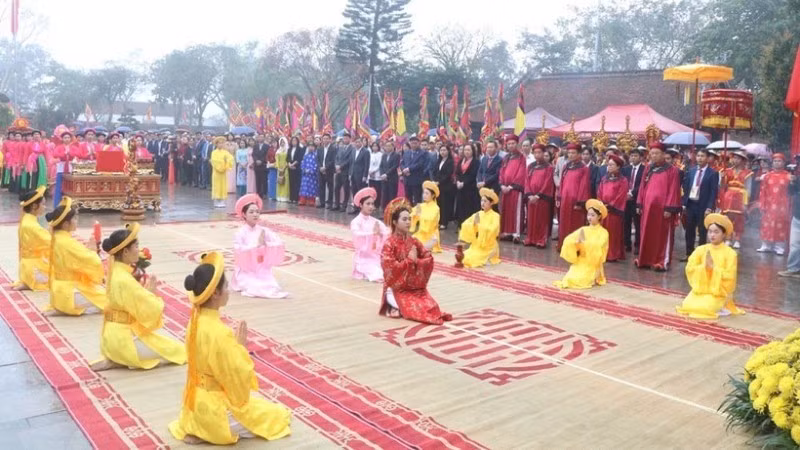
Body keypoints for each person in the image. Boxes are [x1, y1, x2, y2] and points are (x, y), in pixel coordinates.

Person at [169, 252, 292, 445]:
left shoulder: (195, 320)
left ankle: (196, 427)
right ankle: (206, 431)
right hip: (214, 411)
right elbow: (237, 377)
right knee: (276, 416)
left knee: (261, 406)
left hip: (192, 405)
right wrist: (240, 350)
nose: (228, 291)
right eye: (225, 286)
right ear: (215, 293)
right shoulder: (219, 332)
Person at [91, 224, 187, 371]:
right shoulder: (123, 278)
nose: (139, 250)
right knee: (178, 351)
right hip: (123, 340)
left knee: (164, 346)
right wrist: (151, 293)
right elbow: (151, 307)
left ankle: (116, 358)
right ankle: (120, 357)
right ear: (125, 251)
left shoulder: (116, 269)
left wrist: (145, 293)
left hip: (112, 337)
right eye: (136, 246)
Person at [379, 198, 452, 324]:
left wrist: (417, 262)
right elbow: (389, 269)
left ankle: (397, 308)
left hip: (415, 288)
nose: (408, 222)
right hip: (396, 289)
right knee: (413, 309)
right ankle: (393, 306)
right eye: (404, 219)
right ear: (395, 222)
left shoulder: (414, 241)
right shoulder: (389, 244)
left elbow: (428, 258)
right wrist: (408, 261)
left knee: (430, 307)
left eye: (409, 219)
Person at [44, 197, 107, 315]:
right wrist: (93, 251)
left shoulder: (57, 236)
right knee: (108, 302)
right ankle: (64, 308)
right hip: (70, 291)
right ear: (66, 224)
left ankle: (60, 306)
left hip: (57, 289)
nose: (76, 221)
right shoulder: (67, 242)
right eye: (74, 219)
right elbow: (93, 262)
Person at [676, 214, 745, 319]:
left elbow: (730, 278)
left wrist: (713, 269)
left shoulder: (730, 253)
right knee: (687, 306)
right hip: (701, 289)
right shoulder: (701, 249)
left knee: (705, 309)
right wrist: (703, 268)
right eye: (710, 231)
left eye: (716, 232)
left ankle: (722, 306)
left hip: (718, 292)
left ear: (724, 234)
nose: (712, 235)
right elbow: (689, 268)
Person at [231, 194, 288, 299]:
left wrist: (266, 245)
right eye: (251, 212)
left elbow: (280, 242)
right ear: (244, 214)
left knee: (272, 286)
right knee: (256, 287)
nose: (255, 215)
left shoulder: (263, 231)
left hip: (261, 268)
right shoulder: (240, 233)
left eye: (257, 212)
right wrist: (255, 246)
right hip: (246, 269)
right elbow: (238, 250)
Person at [636, 143, 682, 271]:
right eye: (652, 153)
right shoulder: (648, 168)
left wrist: (669, 208)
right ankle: (645, 259)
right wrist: (639, 203)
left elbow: (674, 190)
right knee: (646, 232)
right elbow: (642, 187)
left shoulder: (672, 170)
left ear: (663, 154)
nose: (653, 156)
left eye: (656, 153)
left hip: (662, 209)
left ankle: (661, 261)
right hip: (647, 207)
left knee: (661, 234)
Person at [554, 199, 609, 290]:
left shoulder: (603, 232)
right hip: (581, 261)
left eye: (592, 215)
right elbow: (570, 239)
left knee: (581, 280)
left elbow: (599, 247)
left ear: (599, 217)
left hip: (593, 264)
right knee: (570, 278)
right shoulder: (584, 229)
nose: (589, 217)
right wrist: (576, 244)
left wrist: (585, 245)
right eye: (588, 215)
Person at [681, 148, 719, 262]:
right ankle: (689, 254)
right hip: (691, 204)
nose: (700, 158)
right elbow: (686, 188)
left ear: (707, 158)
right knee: (689, 230)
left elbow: (713, 191)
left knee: (702, 231)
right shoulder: (691, 171)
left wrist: (709, 207)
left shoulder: (713, 173)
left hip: (703, 206)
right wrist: (684, 203)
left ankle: (701, 256)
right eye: (698, 156)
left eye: (702, 156)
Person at [14, 186, 50, 291]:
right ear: (34, 206)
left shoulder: (26, 220)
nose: (45, 207)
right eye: (43, 204)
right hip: (35, 268)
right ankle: (30, 281)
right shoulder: (32, 225)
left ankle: (26, 280)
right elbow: (51, 243)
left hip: (25, 267)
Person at [556, 142, 591, 251]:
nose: (570, 155)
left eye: (573, 153)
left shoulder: (583, 168)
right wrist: (559, 197)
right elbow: (561, 182)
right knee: (564, 222)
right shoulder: (566, 166)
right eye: (569, 152)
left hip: (575, 201)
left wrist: (580, 202)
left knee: (575, 223)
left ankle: (575, 247)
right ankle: (563, 245)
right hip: (565, 200)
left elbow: (584, 186)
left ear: (579, 154)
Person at [350, 187, 390, 282]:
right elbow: (357, 235)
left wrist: (381, 234)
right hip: (363, 258)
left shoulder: (376, 222)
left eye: (372, 204)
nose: (371, 207)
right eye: (368, 204)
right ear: (360, 205)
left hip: (377, 256)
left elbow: (386, 233)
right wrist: (373, 234)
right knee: (379, 275)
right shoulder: (356, 222)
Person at [757, 153, 792, 255]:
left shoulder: (788, 176)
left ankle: (779, 247)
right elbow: (763, 191)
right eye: (775, 161)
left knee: (781, 225)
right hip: (768, 204)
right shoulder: (767, 176)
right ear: (772, 163)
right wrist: (762, 204)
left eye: (779, 161)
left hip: (782, 206)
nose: (777, 163)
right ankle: (766, 245)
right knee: (766, 224)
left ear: (784, 163)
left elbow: (791, 192)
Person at [596, 154, 629, 262]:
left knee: (613, 233)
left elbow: (621, 195)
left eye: (611, 165)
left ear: (618, 166)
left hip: (614, 211)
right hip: (603, 210)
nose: (608, 167)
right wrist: (601, 203)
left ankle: (612, 254)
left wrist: (610, 205)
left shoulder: (623, 180)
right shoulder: (605, 178)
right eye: (608, 164)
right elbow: (600, 191)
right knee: (602, 232)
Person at [458, 187, 501, 268]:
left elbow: (493, 230)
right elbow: (465, 224)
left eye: (485, 201)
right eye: (481, 201)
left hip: (489, 245)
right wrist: (473, 224)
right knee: (465, 258)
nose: (482, 203)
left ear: (491, 203)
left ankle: (489, 257)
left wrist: (479, 226)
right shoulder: (478, 214)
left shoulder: (495, 216)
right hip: (477, 245)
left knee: (473, 260)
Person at [524, 143, 555, 248]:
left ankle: (541, 239)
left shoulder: (549, 167)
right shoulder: (530, 166)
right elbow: (527, 181)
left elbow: (547, 183)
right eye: (535, 152)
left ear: (543, 153)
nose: (537, 155)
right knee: (531, 218)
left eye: (539, 152)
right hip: (531, 197)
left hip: (541, 198)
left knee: (541, 219)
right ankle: (530, 238)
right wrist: (529, 195)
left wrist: (538, 195)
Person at [719, 150, 753, 248]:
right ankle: (728, 238)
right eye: (734, 158)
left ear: (743, 160)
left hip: (741, 196)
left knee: (739, 219)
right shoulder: (727, 171)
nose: (735, 160)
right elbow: (722, 186)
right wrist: (722, 178)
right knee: (728, 218)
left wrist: (746, 203)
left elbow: (748, 189)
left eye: (738, 158)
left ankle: (737, 239)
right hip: (728, 196)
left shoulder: (748, 173)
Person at [498, 136, 527, 242]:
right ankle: (506, 232)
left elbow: (521, 173)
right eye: (509, 144)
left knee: (516, 211)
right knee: (505, 210)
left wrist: (511, 186)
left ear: (517, 144)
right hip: (505, 188)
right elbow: (501, 171)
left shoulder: (521, 158)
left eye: (513, 143)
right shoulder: (506, 158)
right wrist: (502, 185)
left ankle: (516, 233)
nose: (511, 145)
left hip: (515, 188)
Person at [622, 147, 645, 254]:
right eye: (632, 156)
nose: (633, 158)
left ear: (641, 157)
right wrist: (626, 193)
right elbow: (623, 182)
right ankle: (627, 244)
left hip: (637, 199)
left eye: (636, 156)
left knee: (637, 223)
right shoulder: (626, 169)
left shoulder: (644, 169)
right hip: (626, 199)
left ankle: (637, 244)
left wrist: (632, 193)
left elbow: (642, 185)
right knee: (626, 222)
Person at [411, 180, 442, 253]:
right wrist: (414, 215)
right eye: (424, 193)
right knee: (410, 244)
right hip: (420, 234)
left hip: (431, 236)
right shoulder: (421, 206)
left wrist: (419, 215)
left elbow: (430, 220)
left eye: (427, 193)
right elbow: (411, 215)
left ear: (433, 195)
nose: (424, 195)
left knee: (420, 248)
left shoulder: (436, 208)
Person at [454, 142, 480, 226]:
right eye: (465, 150)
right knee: (461, 207)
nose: (466, 152)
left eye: (469, 150)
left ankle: (469, 226)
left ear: (473, 151)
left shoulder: (476, 162)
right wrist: (457, 181)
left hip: (470, 189)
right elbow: (457, 172)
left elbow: (473, 174)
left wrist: (464, 183)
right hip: (460, 188)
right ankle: (461, 225)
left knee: (469, 208)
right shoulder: (461, 161)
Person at [401, 136, 428, 205]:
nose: (414, 145)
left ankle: (418, 214)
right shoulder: (407, 152)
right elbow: (402, 163)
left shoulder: (422, 153)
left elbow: (420, 164)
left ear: (418, 143)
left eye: (415, 143)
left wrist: (409, 169)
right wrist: (404, 170)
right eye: (412, 143)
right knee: (408, 198)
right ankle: (409, 213)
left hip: (417, 180)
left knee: (417, 199)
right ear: (409, 143)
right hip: (407, 179)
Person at [434, 143, 455, 229]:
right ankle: (439, 221)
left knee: (445, 204)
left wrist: (439, 181)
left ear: (448, 151)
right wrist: (435, 180)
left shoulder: (450, 162)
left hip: (446, 186)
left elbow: (448, 174)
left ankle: (444, 223)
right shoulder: (439, 161)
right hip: (438, 186)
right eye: (441, 150)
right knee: (439, 204)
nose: (442, 152)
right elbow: (436, 172)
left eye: (444, 150)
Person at [52, 131, 76, 206]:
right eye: (65, 138)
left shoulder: (73, 147)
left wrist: (70, 153)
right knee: (59, 186)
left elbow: (78, 153)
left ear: (71, 139)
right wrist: (64, 154)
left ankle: (69, 203)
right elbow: (55, 154)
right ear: (62, 139)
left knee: (70, 186)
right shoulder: (59, 147)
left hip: (70, 166)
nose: (67, 139)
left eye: (68, 137)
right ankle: (57, 204)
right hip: (61, 167)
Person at [349, 136, 371, 214]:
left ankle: (362, 209)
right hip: (353, 175)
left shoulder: (365, 152)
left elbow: (366, 165)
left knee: (361, 193)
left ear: (361, 142)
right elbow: (351, 163)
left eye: (359, 142)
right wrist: (350, 173)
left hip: (361, 176)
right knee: (354, 192)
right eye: (356, 142)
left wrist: (365, 176)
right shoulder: (353, 151)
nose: (357, 143)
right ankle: (356, 208)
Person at [333, 132, 354, 211]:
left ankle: (344, 205)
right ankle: (337, 204)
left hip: (346, 171)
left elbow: (349, 160)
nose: (345, 140)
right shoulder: (340, 147)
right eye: (344, 138)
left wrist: (341, 166)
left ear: (349, 139)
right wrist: (336, 165)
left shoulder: (352, 149)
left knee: (346, 189)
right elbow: (336, 157)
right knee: (336, 188)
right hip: (338, 171)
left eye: (347, 138)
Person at [210, 138, 234, 208]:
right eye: (219, 143)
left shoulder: (225, 152)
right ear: (216, 144)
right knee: (217, 185)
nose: (220, 144)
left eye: (222, 143)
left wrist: (226, 165)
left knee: (223, 185)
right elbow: (214, 161)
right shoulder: (214, 152)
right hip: (216, 172)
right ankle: (217, 201)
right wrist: (221, 166)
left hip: (223, 172)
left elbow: (230, 159)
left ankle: (222, 201)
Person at [379, 139, 401, 209]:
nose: (387, 147)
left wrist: (386, 174)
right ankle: (384, 211)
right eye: (386, 146)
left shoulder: (396, 155)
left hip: (392, 179)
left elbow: (395, 166)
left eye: (389, 146)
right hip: (384, 179)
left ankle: (392, 211)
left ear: (393, 147)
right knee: (384, 196)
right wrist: (382, 174)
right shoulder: (384, 155)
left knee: (392, 196)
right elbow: (381, 166)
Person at [317, 133, 336, 208]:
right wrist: (320, 167)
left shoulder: (333, 149)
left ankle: (330, 203)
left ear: (330, 139)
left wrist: (326, 167)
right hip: (321, 171)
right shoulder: (320, 149)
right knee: (321, 187)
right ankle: (322, 203)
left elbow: (333, 160)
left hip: (329, 171)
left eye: (327, 138)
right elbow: (318, 159)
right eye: (324, 138)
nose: (325, 140)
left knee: (330, 187)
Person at [298, 140, 318, 206]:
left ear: (314, 147)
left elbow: (317, 165)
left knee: (312, 188)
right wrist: (304, 169)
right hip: (305, 175)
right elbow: (302, 163)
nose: (310, 148)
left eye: (312, 146)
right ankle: (302, 200)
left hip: (312, 175)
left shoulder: (316, 156)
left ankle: (311, 201)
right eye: (309, 146)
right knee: (304, 187)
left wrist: (311, 170)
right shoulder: (305, 155)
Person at [287, 136, 305, 204]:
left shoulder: (300, 149)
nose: (294, 142)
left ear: (297, 141)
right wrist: (289, 164)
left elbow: (299, 158)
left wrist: (293, 164)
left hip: (296, 168)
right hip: (290, 168)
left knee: (296, 184)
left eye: (295, 140)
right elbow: (287, 158)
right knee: (291, 183)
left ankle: (296, 198)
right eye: (292, 140)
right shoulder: (289, 149)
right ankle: (291, 198)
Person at [367, 141, 384, 209]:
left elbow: (379, 165)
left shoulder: (380, 154)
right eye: (373, 146)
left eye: (376, 146)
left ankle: (377, 204)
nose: (374, 147)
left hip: (377, 175)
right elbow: (368, 164)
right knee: (371, 190)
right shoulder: (370, 154)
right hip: (370, 175)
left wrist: (373, 171)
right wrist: (369, 171)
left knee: (377, 190)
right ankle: (372, 203)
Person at [275, 137, 290, 203]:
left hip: (285, 168)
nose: (282, 143)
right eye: (281, 142)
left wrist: (284, 167)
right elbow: (277, 160)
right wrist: (278, 167)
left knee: (285, 182)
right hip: (279, 168)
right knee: (280, 181)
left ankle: (285, 197)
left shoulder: (288, 150)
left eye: (283, 142)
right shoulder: (278, 150)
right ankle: (279, 196)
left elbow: (288, 159)